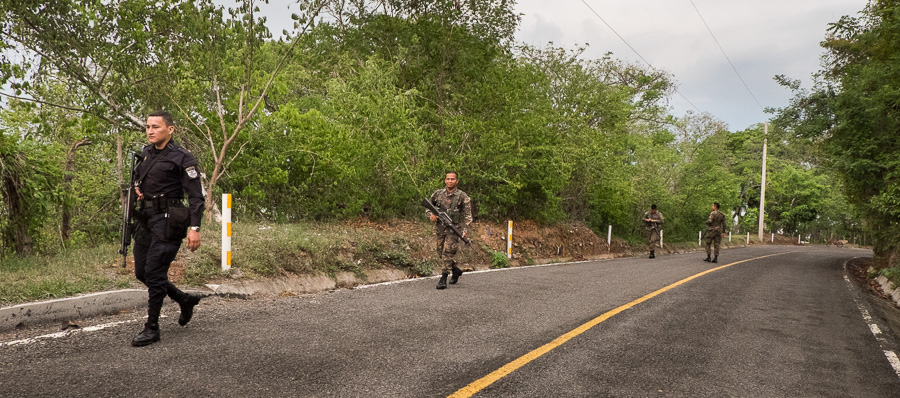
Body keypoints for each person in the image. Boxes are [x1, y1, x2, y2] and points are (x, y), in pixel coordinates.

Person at [130, 110, 205, 347]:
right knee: (142, 272)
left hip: (169, 219)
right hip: (147, 219)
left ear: (170, 130)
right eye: (148, 127)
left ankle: (152, 327)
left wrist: (195, 228)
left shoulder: (182, 157)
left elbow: (196, 196)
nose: (150, 131)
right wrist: (138, 190)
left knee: (154, 271)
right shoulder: (145, 154)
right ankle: (183, 299)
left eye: (156, 127)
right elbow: (139, 181)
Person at [426, 171, 473, 289]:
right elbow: (428, 207)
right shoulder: (438, 194)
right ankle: (455, 270)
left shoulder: (462, 196)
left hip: (454, 229)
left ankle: (443, 278)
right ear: (445, 180)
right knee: (440, 252)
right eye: (448, 179)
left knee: (448, 253)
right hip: (440, 228)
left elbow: (468, 215)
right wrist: (431, 215)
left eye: (452, 179)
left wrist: (465, 229)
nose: (450, 181)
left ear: (457, 181)